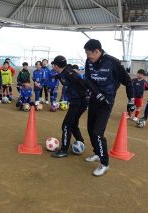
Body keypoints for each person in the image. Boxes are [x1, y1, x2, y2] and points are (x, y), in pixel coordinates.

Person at [84, 39, 135, 176]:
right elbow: (88, 79)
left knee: (97, 132)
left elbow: (128, 81)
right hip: (95, 99)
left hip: (106, 103)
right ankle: (97, 153)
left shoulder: (113, 63)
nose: (88, 56)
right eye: (87, 53)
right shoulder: (89, 61)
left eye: (90, 53)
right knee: (90, 129)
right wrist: (97, 93)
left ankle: (104, 163)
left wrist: (131, 100)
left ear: (97, 51)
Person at [50, 56, 87, 159]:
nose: (53, 66)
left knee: (66, 125)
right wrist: (55, 77)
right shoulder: (64, 72)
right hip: (77, 102)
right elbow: (61, 76)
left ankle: (64, 149)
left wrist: (86, 93)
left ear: (56, 66)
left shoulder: (70, 74)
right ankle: (80, 142)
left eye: (54, 64)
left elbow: (81, 83)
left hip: (79, 102)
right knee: (73, 124)